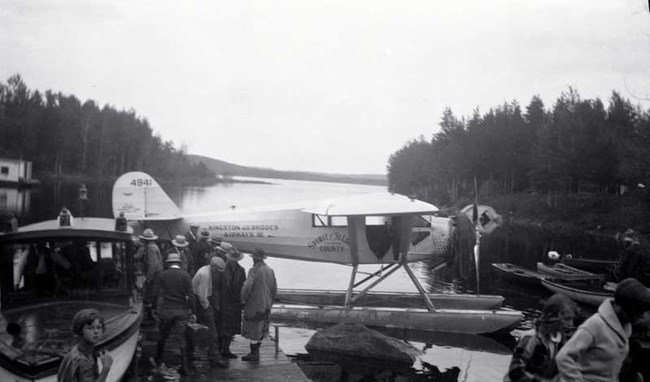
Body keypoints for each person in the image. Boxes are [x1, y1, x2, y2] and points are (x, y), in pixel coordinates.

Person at [556, 278, 650, 382]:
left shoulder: (625, 328)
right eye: (638, 313)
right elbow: (563, 358)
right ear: (622, 307)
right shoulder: (595, 325)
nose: (641, 317)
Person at [504, 294, 576, 382]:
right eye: (567, 319)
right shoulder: (531, 338)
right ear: (551, 317)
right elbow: (515, 372)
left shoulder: (561, 341)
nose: (571, 324)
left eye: (572, 319)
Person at [152, 252, 195, 375]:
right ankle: (185, 366)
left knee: (163, 336)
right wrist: (192, 311)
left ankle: (158, 361)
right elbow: (191, 295)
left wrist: (153, 307)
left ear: (168, 263)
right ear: (179, 263)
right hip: (181, 311)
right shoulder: (186, 276)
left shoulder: (162, 275)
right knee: (181, 338)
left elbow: (155, 293)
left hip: (166, 311)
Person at [190, 256, 228, 368]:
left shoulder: (205, 269)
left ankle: (191, 354)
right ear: (213, 267)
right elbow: (202, 296)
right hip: (200, 302)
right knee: (212, 332)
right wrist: (208, 308)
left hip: (198, 300)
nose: (218, 273)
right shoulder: (206, 275)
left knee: (196, 330)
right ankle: (215, 358)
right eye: (217, 270)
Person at [57, 308, 113, 382]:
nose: (96, 332)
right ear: (80, 331)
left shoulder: (88, 351)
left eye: (99, 327)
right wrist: (106, 368)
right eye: (90, 328)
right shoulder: (80, 360)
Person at [241, 248, 277, 361]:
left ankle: (254, 354)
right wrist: (270, 303)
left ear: (255, 259)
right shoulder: (270, 271)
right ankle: (256, 353)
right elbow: (274, 289)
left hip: (254, 304)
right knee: (261, 328)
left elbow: (247, 287)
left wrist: (242, 300)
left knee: (253, 328)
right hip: (266, 304)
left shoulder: (254, 270)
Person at [218, 247, 246, 359]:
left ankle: (226, 349)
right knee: (221, 326)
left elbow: (243, 286)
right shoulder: (222, 268)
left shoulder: (241, 270)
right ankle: (218, 349)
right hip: (223, 301)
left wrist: (242, 301)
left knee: (232, 327)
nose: (233, 261)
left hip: (235, 303)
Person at [134, 228, 163, 323]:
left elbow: (152, 264)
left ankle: (151, 316)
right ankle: (151, 314)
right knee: (150, 295)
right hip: (155, 274)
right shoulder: (151, 246)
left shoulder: (150, 248)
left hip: (153, 275)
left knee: (148, 295)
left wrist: (148, 278)